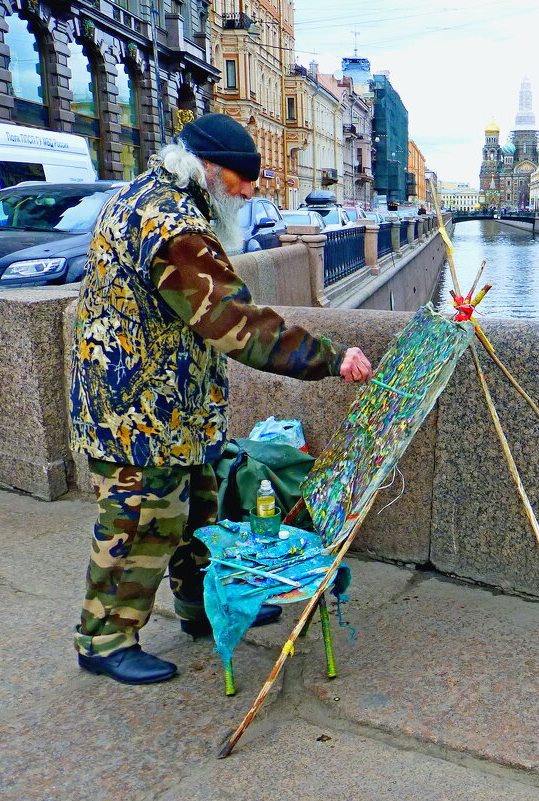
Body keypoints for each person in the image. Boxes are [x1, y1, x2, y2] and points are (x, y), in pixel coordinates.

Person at [69, 113, 373, 685]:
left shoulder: (152, 194)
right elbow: (236, 324)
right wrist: (331, 358)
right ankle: (103, 638)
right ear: (209, 171)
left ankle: (201, 608)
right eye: (243, 180)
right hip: (139, 413)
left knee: (199, 516)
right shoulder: (173, 227)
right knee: (139, 523)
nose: (251, 193)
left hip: (175, 408)